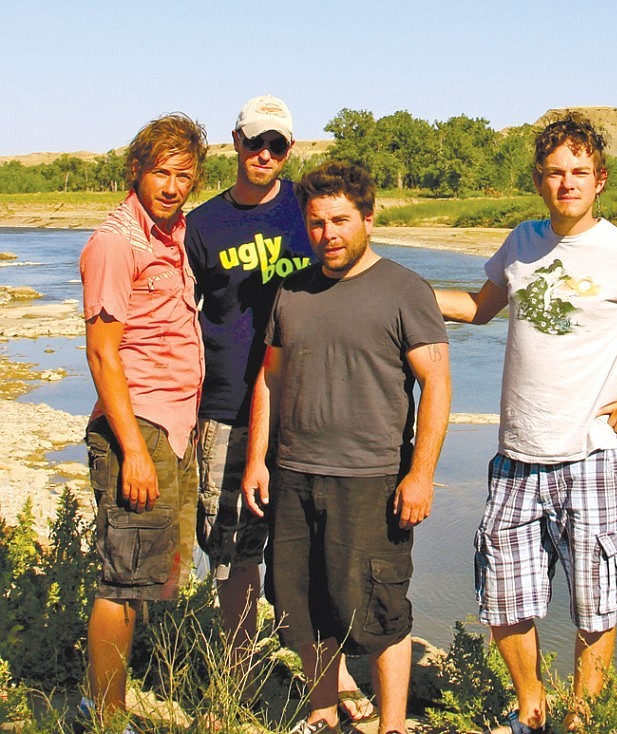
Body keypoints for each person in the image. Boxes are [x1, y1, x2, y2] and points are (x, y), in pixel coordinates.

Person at [435, 114, 617, 734]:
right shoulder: (522, 241)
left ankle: (582, 719)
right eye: (556, 172)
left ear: (600, 179)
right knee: (504, 596)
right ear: (540, 180)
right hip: (516, 456)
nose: (568, 183)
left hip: (593, 456)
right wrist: (393, 291)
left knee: (595, 602)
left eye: (580, 172)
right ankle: (531, 710)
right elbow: (478, 309)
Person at [242, 161, 451, 734]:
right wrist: (258, 459)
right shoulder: (292, 289)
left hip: (371, 478)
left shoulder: (405, 290)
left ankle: (391, 725)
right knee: (302, 602)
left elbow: (436, 383)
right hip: (293, 473)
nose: (328, 234)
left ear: (368, 218)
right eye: (317, 223)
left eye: (339, 220)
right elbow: (270, 379)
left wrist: (421, 474)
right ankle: (322, 712)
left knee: (380, 609)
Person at [185, 96, 373, 720]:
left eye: (277, 144)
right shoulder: (203, 225)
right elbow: (177, 314)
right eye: (254, 141)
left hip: (313, 406)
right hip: (229, 407)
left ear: (290, 149)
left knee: (320, 548)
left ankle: (333, 676)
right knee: (234, 550)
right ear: (235, 141)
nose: (264, 154)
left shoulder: (309, 208)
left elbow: (361, 276)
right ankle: (237, 677)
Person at [79, 113, 208, 730]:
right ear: (136, 169)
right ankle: (104, 716)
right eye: (162, 172)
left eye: (184, 176)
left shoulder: (173, 235)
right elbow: (103, 353)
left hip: (172, 426)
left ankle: (120, 692)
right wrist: (132, 449)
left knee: (152, 573)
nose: (173, 186)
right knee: (125, 580)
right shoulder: (117, 243)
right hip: (140, 427)